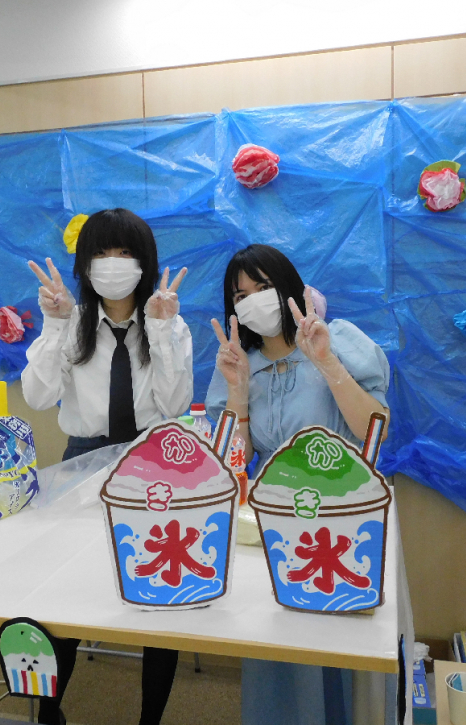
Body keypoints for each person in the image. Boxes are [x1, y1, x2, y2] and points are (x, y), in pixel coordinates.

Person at [205, 243, 390, 725]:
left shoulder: (337, 339)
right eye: (240, 295)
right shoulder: (239, 361)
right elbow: (231, 464)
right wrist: (238, 391)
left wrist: (327, 363)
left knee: (346, 647)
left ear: (288, 285)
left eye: (263, 286)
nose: (253, 300)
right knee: (284, 646)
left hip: (347, 517)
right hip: (277, 521)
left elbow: (375, 429)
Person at [22, 208, 192, 725]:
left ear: (145, 263)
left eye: (125, 252)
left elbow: (175, 406)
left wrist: (160, 332)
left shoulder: (169, 323)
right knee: (67, 592)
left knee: (158, 594)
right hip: (82, 462)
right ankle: (49, 712)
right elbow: (37, 396)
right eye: (101, 252)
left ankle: (149, 720)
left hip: (150, 464)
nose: (113, 263)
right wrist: (55, 325)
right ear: (84, 264)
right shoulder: (71, 323)